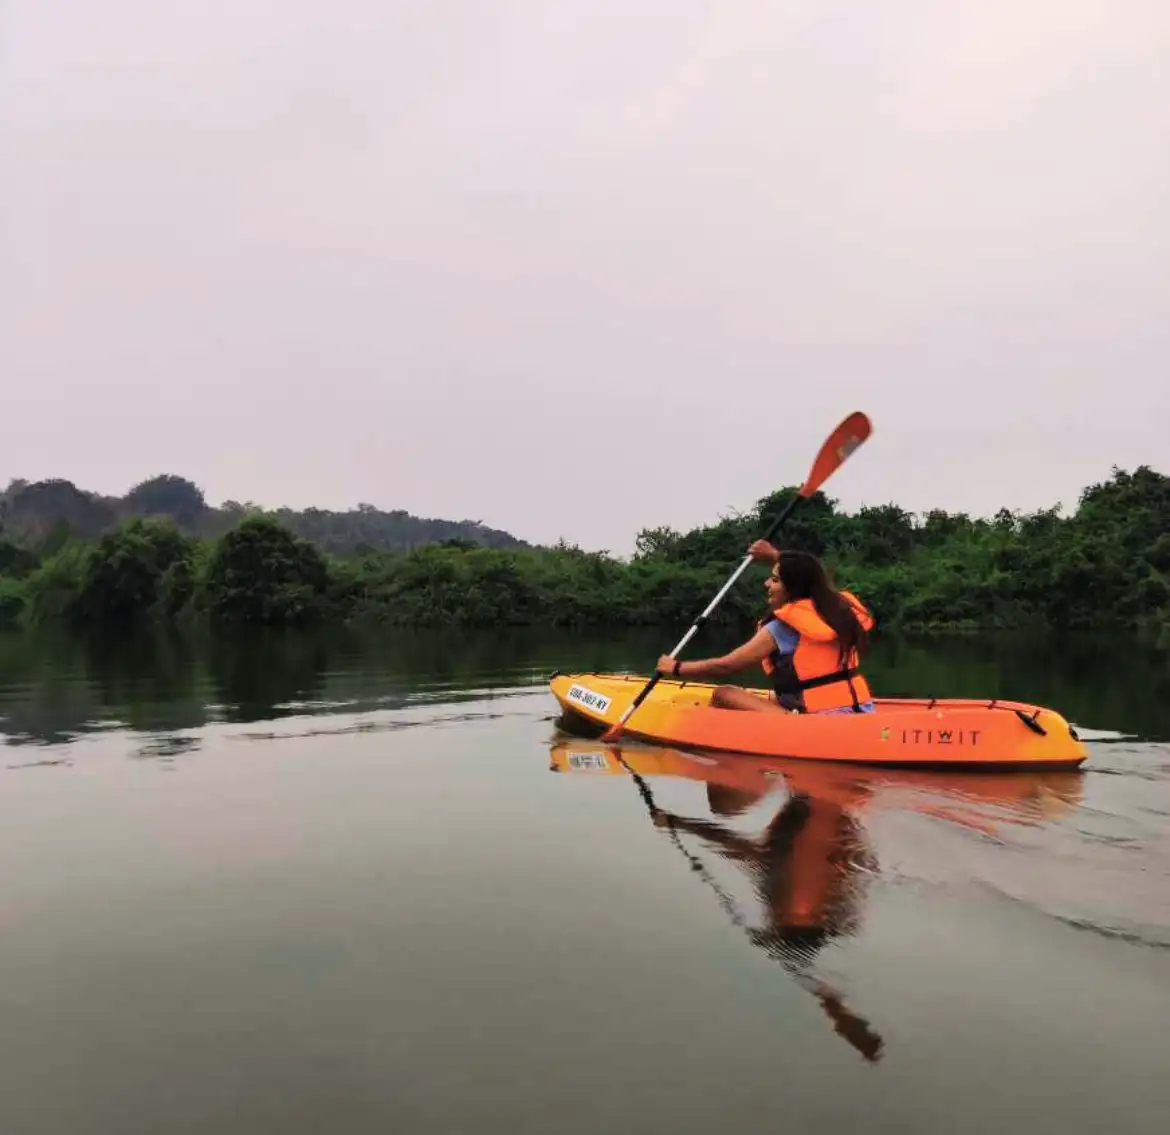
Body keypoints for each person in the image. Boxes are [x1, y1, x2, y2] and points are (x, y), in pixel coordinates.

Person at [656, 541, 875, 714]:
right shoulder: (838, 611)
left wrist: (676, 668)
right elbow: (810, 572)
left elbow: (728, 666)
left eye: (775, 580)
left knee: (724, 694)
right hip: (861, 707)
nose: (767, 584)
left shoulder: (783, 627)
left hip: (815, 716)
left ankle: (786, 724)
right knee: (771, 695)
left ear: (792, 586)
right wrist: (775, 555)